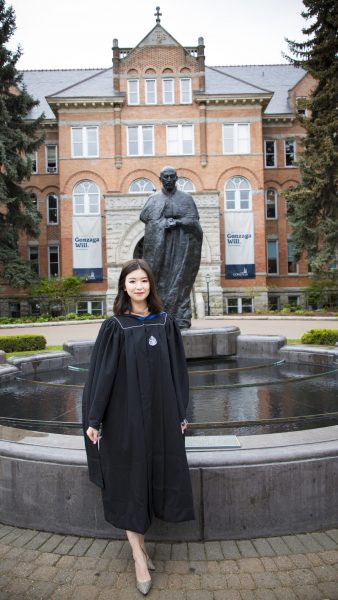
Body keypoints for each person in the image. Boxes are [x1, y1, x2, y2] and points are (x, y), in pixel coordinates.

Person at [82, 258, 195, 596]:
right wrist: (94, 419)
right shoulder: (115, 326)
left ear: (151, 285)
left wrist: (181, 412)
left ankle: (143, 548)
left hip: (161, 416)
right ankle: (137, 557)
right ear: (124, 287)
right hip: (125, 417)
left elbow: (178, 372)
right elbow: (102, 376)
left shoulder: (166, 323)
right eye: (132, 281)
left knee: (155, 475)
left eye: (143, 280)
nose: (138, 286)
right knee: (130, 480)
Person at [140, 166, 203, 329]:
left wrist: (179, 222)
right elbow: (146, 218)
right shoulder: (153, 199)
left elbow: (194, 221)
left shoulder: (186, 199)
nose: (168, 180)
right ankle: (158, 313)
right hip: (160, 247)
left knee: (179, 278)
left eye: (171, 177)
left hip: (181, 247)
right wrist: (163, 224)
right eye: (165, 177)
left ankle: (180, 315)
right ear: (160, 179)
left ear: (176, 179)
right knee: (160, 279)